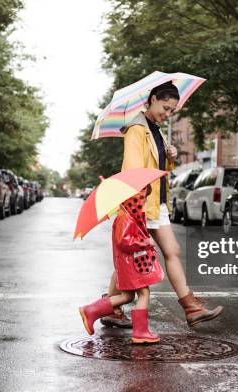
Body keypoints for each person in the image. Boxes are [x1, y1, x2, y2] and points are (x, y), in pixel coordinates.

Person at [100, 81, 223, 329]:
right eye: (165, 108)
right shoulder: (136, 129)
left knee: (171, 251)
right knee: (132, 257)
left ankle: (190, 308)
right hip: (142, 205)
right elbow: (135, 171)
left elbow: (158, 170)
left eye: (172, 112)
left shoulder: (155, 129)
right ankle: (112, 307)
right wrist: (137, 210)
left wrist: (169, 158)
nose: (167, 114)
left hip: (158, 202)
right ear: (153, 98)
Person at [79, 187, 163, 343]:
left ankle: (90, 311)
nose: (144, 201)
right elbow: (124, 242)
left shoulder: (131, 215)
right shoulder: (125, 217)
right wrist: (145, 242)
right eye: (142, 198)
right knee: (144, 294)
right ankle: (140, 332)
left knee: (127, 296)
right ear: (132, 198)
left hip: (130, 262)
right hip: (131, 263)